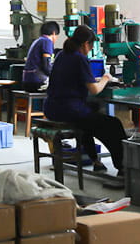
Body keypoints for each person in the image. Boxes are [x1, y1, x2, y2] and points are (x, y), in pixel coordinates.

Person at [44, 25, 127, 175]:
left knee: (91, 114)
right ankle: (123, 166)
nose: (91, 49)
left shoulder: (62, 54)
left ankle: (96, 161)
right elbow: (94, 90)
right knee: (113, 125)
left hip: (52, 108)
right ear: (85, 44)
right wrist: (106, 78)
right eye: (91, 45)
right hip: (68, 110)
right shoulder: (80, 58)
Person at [22, 21, 60, 92]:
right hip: (37, 81)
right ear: (54, 33)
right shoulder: (47, 41)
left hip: (27, 80)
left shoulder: (37, 41)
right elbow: (47, 66)